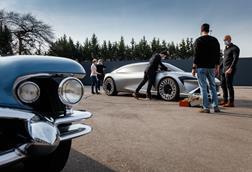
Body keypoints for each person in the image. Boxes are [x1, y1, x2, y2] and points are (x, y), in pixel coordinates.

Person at [192, 23, 220, 113]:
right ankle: (216, 107)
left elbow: (196, 56)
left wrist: (193, 68)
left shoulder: (198, 40)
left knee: (203, 87)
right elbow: (217, 55)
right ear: (209, 30)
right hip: (211, 68)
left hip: (201, 68)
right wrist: (217, 67)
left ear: (201, 30)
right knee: (213, 87)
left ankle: (206, 108)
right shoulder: (215, 40)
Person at [220, 35, 240, 107]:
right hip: (223, 70)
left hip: (229, 69)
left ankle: (231, 102)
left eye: (225, 40)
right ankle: (225, 100)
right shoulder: (226, 49)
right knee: (222, 85)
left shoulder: (235, 48)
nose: (224, 41)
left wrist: (231, 68)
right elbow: (224, 59)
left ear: (229, 39)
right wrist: (219, 66)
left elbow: (235, 59)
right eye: (224, 40)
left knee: (229, 85)